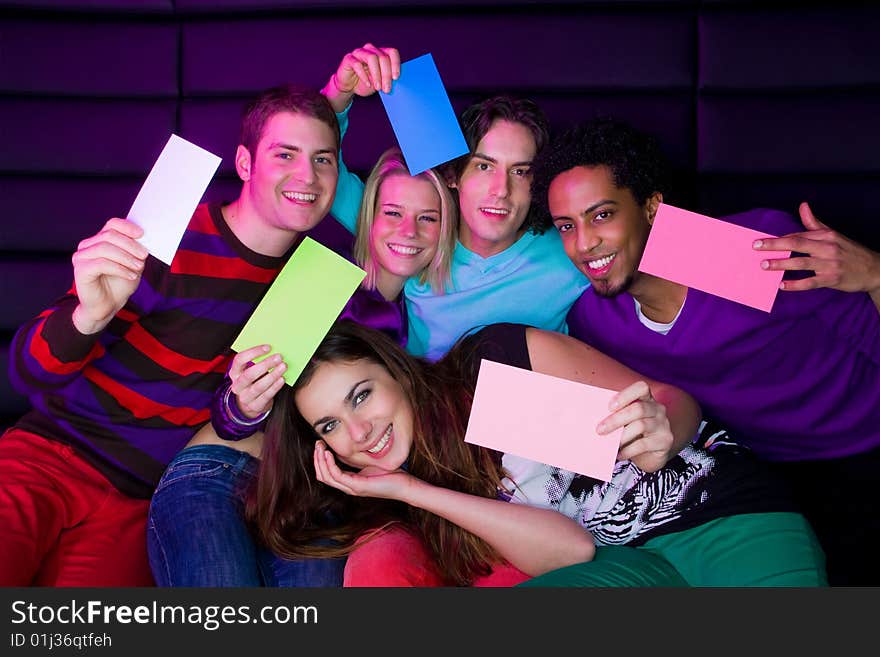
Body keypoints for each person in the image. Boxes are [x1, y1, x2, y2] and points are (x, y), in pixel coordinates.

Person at [1, 84, 343, 586]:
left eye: (323, 160)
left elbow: (226, 423)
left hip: (142, 500)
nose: (306, 177)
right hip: (50, 456)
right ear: (246, 164)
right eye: (284, 154)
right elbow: (25, 372)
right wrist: (87, 316)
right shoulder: (167, 234)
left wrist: (245, 409)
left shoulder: (311, 286)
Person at [530, 117, 880, 585]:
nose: (584, 243)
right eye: (566, 226)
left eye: (602, 215)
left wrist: (876, 273)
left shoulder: (738, 253)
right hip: (760, 479)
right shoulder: (595, 319)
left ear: (652, 206)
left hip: (864, 446)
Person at [248, 319, 826, 587]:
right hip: (622, 561)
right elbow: (571, 549)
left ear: (395, 370)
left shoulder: (489, 364)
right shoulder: (411, 489)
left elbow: (672, 399)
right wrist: (409, 490)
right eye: (331, 424)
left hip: (720, 516)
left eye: (362, 395)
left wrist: (662, 429)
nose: (359, 430)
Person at [147, 147, 458, 586]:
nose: (409, 230)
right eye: (393, 212)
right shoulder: (321, 283)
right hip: (222, 471)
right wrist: (244, 404)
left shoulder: (423, 322)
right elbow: (229, 414)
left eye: (428, 217)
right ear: (369, 217)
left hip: (312, 500)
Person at [326, 46, 590, 361]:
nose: (501, 190)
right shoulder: (419, 236)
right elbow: (325, 179)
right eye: (484, 166)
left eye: (520, 171)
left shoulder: (571, 248)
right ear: (455, 175)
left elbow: (642, 235)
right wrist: (338, 93)